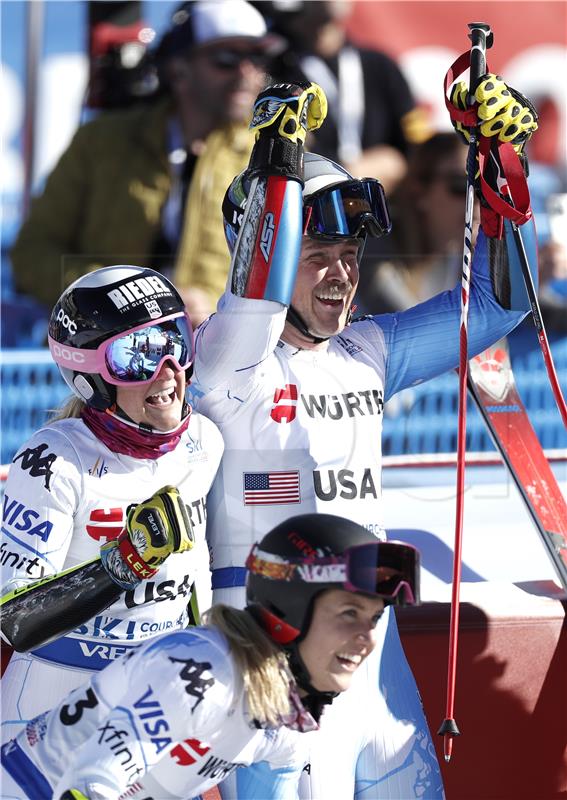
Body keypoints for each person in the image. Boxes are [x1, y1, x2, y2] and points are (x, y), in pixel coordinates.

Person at [188, 75, 538, 799]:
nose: (342, 274)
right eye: (318, 252)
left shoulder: (367, 351)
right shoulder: (226, 360)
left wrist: (502, 162)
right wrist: (276, 158)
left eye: (352, 254)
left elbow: (501, 304)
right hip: (271, 667)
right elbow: (256, 284)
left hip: (373, 664)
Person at [0, 514, 420, 800]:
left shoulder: (289, 721)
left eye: (374, 617)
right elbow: (89, 784)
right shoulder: (199, 671)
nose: (366, 639)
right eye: (349, 614)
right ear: (290, 607)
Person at [0, 265, 224, 748]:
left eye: (174, 342)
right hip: (51, 703)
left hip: (153, 702)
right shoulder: (54, 461)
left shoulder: (205, 441)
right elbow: (14, 620)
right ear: (90, 379)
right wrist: (124, 564)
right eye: (137, 355)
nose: (168, 371)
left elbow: (193, 583)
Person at [10, 0, 280, 325]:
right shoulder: (100, 141)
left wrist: (217, 307)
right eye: (226, 59)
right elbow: (32, 253)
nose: (246, 72)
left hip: (223, 357)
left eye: (257, 58)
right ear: (178, 69)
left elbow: (299, 266)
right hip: (105, 355)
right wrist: (116, 298)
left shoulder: (275, 153)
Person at [254, 0, 430, 193]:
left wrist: (396, 165)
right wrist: (359, 174)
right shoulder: (264, 70)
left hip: (376, 216)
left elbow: (418, 153)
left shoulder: (380, 66)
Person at [356, 132, 480, 314]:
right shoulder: (373, 251)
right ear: (419, 192)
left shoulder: (463, 259)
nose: (475, 202)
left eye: (485, 191)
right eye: (461, 186)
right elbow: (414, 329)